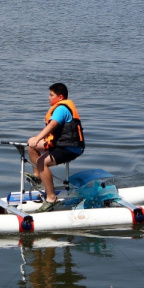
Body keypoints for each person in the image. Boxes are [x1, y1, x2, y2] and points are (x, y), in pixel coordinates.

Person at [26, 83, 85, 212]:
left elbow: (52, 126)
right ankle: (37, 176)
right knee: (31, 144)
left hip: (70, 147)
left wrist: (38, 139)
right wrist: (34, 141)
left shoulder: (61, 109)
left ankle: (51, 199)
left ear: (60, 97)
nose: (48, 97)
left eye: (51, 95)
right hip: (60, 144)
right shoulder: (59, 107)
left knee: (41, 161)